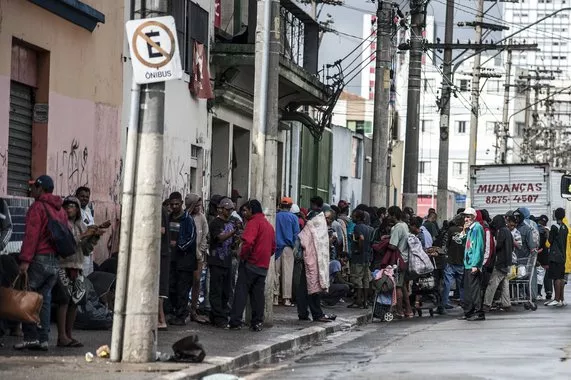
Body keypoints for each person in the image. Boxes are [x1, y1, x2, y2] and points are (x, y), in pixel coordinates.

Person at [15, 175, 67, 351]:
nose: (31, 190)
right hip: (55, 261)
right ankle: (43, 339)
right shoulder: (60, 209)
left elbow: (31, 236)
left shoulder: (37, 207)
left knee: (29, 297)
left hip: (39, 259)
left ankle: (30, 338)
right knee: (44, 300)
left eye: (34, 187)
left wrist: (25, 261)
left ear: (41, 188)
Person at [54, 196, 102, 347]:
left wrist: (94, 238)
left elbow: (86, 250)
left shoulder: (81, 224)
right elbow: (64, 244)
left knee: (75, 301)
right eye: (67, 206)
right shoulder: (61, 224)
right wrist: (83, 236)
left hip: (78, 266)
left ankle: (69, 334)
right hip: (63, 265)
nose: (69, 209)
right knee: (64, 301)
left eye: (73, 206)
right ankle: (61, 336)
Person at [229, 200, 276, 331]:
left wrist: (243, 256)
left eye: (246, 210)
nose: (244, 213)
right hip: (263, 265)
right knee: (258, 295)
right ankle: (257, 322)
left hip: (251, 263)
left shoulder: (253, 223)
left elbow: (248, 242)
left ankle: (235, 321)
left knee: (241, 292)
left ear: (251, 210)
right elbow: (273, 247)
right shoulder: (268, 225)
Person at [168, 192, 198, 326]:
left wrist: (179, 245)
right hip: (172, 260)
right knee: (171, 287)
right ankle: (175, 312)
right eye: (172, 204)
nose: (174, 207)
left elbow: (191, 238)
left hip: (185, 261)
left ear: (181, 203)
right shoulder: (169, 218)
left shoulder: (188, 220)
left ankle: (181, 315)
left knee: (182, 289)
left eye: (177, 204)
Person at [208, 198, 236, 327]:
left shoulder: (230, 223)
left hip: (227, 261)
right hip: (217, 261)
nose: (229, 212)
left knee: (226, 291)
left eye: (231, 209)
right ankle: (218, 316)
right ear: (221, 209)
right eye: (227, 209)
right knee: (216, 290)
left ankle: (221, 314)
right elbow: (219, 238)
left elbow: (233, 244)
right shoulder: (215, 223)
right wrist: (233, 232)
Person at [184, 193, 210, 324]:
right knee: (185, 283)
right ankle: (184, 309)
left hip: (198, 256)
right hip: (185, 255)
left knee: (196, 281)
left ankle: (194, 309)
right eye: (196, 205)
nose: (199, 208)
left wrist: (200, 251)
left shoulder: (202, 218)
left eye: (200, 205)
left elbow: (205, 235)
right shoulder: (185, 217)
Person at [482, 215, 513, 312]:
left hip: (500, 262)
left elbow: (498, 246)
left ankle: (486, 304)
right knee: (505, 283)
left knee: (492, 283)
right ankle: (506, 303)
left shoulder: (502, 231)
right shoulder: (508, 231)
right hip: (508, 262)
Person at [459, 208, 485, 321]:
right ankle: (468, 311)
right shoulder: (470, 229)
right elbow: (465, 243)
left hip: (472, 264)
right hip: (468, 263)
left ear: (474, 217)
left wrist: (475, 264)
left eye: (468, 216)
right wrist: (464, 231)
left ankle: (479, 312)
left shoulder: (477, 228)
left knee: (474, 290)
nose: (466, 219)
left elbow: (479, 247)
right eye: (465, 217)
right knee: (468, 290)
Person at [387, 206, 413, 318]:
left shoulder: (397, 227)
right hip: (405, 259)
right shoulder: (405, 226)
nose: (388, 217)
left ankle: (399, 311)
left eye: (389, 215)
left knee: (397, 286)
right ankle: (408, 310)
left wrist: (385, 243)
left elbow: (393, 245)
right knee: (402, 286)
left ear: (394, 215)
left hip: (398, 260)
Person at [274, 197, 300, 307]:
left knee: (275, 273)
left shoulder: (275, 216)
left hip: (276, 247)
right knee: (287, 273)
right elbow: (296, 235)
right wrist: (296, 249)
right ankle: (286, 299)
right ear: (290, 207)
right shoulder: (294, 218)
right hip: (288, 248)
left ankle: (274, 297)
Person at [439, 215, 465, 313]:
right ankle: (463, 302)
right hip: (462, 262)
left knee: (447, 283)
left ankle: (444, 302)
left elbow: (445, 246)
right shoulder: (466, 231)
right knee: (461, 285)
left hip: (450, 261)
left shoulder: (450, 230)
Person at [348, 209, 373, 309]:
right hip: (366, 257)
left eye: (353, 216)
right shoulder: (369, 228)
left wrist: (359, 249)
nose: (352, 218)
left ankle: (358, 300)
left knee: (357, 279)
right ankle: (365, 301)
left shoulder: (357, 228)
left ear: (358, 217)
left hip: (358, 258)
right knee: (366, 279)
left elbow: (361, 238)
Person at [545, 208, 569, 307]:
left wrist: (547, 235)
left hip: (555, 256)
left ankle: (556, 299)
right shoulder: (565, 227)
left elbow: (548, 244)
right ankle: (561, 299)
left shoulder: (554, 227)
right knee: (561, 278)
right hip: (563, 256)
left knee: (556, 278)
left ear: (556, 215)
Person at [75, 186, 95, 276]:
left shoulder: (88, 210)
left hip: (89, 249)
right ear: (77, 196)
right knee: (81, 277)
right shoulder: (74, 210)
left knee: (88, 275)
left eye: (87, 197)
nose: (85, 199)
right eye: (82, 196)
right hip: (80, 250)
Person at [158, 204, 170, 329]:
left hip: (160, 253)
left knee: (159, 289)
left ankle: (161, 319)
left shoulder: (158, 209)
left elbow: (161, 230)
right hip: (160, 252)